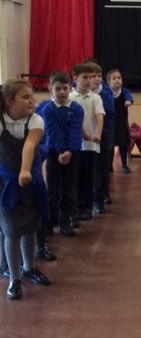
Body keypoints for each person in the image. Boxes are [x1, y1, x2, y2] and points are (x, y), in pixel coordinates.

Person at [0, 80, 51, 300]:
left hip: (30, 180)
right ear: (9, 101)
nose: (32, 101)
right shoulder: (1, 120)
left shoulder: (35, 119)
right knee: (11, 230)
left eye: (32, 96)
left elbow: (30, 146)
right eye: (25, 97)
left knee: (30, 226)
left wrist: (25, 171)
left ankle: (29, 267)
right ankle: (14, 278)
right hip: (5, 184)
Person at [38, 72, 84, 237]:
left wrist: (69, 151)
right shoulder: (48, 109)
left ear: (70, 87)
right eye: (58, 89)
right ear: (50, 89)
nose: (62, 92)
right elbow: (53, 132)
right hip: (54, 153)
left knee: (69, 190)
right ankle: (50, 222)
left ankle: (66, 222)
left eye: (65, 88)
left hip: (72, 153)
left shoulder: (77, 108)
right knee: (52, 190)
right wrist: (60, 151)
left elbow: (75, 131)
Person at [70, 64, 105, 221]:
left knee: (87, 176)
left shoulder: (95, 98)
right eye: (85, 77)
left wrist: (98, 134)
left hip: (90, 144)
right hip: (74, 144)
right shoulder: (70, 97)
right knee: (74, 177)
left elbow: (99, 116)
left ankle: (87, 207)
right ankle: (75, 208)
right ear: (75, 78)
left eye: (91, 77)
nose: (89, 80)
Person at [88, 63, 115, 213]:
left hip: (102, 134)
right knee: (88, 167)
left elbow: (110, 112)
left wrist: (98, 107)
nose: (97, 79)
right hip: (86, 135)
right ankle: (89, 197)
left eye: (99, 76)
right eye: (93, 76)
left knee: (102, 167)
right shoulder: (78, 93)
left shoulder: (105, 93)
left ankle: (101, 196)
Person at [107, 69, 134, 174]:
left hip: (122, 122)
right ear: (109, 82)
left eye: (119, 78)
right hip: (110, 123)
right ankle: (109, 165)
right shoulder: (107, 93)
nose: (117, 80)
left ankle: (124, 165)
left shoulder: (124, 91)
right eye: (114, 78)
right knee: (110, 145)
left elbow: (129, 97)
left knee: (123, 144)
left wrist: (128, 101)